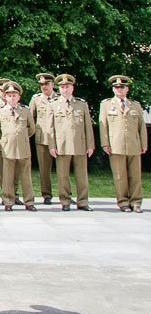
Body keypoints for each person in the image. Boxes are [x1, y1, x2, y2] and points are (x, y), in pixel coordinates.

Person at [98, 75, 147, 213]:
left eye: (122, 87)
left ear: (127, 89)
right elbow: (103, 126)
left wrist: (144, 143)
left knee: (135, 176)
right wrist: (105, 143)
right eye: (116, 87)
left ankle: (136, 202)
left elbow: (142, 126)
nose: (119, 89)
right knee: (120, 176)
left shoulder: (135, 105)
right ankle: (123, 202)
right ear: (113, 89)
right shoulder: (106, 105)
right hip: (116, 145)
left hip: (134, 145)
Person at [49, 74, 94, 211]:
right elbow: (50, 128)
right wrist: (52, 145)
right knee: (63, 176)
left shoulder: (81, 104)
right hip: (61, 145)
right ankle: (65, 201)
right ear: (59, 89)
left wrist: (90, 145)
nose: (65, 89)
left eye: (67, 87)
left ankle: (83, 201)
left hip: (80, 144)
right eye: (62, 87)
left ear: (72, 88)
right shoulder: (53, 104)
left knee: (82, 176)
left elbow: (88, 126)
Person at [0, 81, 37, 211]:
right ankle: (8, 201)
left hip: (23, 148)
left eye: (14, 95)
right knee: (7, 177)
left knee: (26, 177)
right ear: (5, 97)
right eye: (9, 95)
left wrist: (22, 138)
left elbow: (32, 128)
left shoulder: (25, 111)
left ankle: (29, 202)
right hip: (8, 149)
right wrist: (6, 139)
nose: (12, 98)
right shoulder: (0, 111)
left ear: (18, 97)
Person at [29, 73, 57, 205]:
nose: (44, 87)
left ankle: (66, 195)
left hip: (59, 139)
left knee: (63, 169)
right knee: (44, 169)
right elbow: (30, 119)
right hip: (43, 139)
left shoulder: (60, 98)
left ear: (53, 85)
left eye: (46, 84)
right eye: (41, 85)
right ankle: (47, 195)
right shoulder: (36, 99)